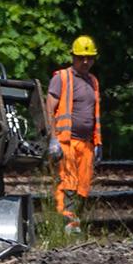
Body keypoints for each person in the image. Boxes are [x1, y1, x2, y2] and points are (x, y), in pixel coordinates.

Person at [47, 34, 102, 231]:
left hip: (87, 143)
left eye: (89, 58)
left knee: (83, 186)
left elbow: (95, 115)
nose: (85, 61)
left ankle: (76, 222)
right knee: (68, 184)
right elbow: (49, 108)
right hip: (66, 141)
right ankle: (67, 224)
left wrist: (98, 144)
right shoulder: (62, 78)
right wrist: (53, 139)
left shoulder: (93, 81)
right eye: (81, 57)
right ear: (73, 57)